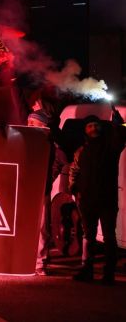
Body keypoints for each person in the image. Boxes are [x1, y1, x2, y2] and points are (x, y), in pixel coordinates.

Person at [68, 108, 123, 285]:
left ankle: (109, 274)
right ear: (85, 130)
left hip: (107, 200)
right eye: (90, 126)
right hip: (87, 200)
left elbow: (121, 139)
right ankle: (87, 270)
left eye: (96, 125)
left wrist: (119, 124)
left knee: (108, 236)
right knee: (88, 236)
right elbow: (74, 171)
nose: (93, 128)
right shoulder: (81, 151)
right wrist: (74, 188)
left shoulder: (110, 148)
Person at [28, 110, 69, 275]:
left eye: (33, 122)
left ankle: (40, 262)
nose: (28, 125)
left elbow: (62, 160)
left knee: (41, 228)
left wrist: (48, 178)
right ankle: (22, 259)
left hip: (41, 192)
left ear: (43, 125)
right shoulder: (22, 140)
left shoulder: (51, 145)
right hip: (23, 191)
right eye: (28, 121)